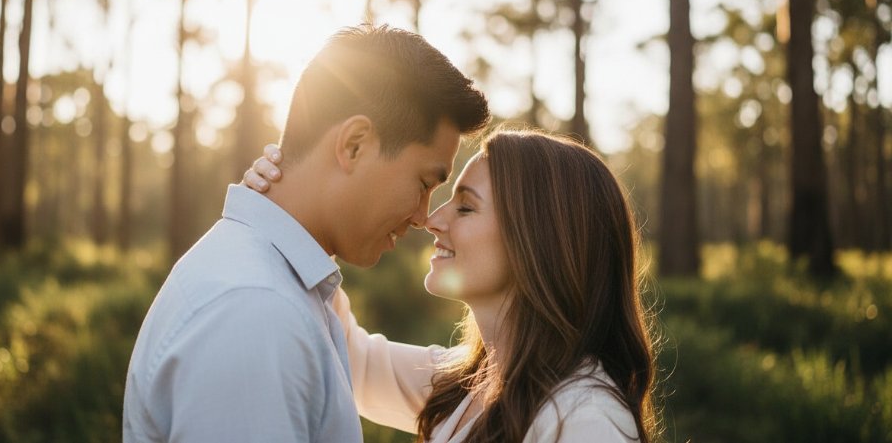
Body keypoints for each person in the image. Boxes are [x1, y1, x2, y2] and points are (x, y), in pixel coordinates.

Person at [122, 24, 490, 443]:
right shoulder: (256, 312)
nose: (424, 217)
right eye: (424, 183)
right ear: (353, 145)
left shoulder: (279, 288)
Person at [245, 128, 660, 442]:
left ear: (537, 238)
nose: (432, 220)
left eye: (465, 207)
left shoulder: (585, 419)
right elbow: (349, 357)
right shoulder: (469, 384)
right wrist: (296, 208)